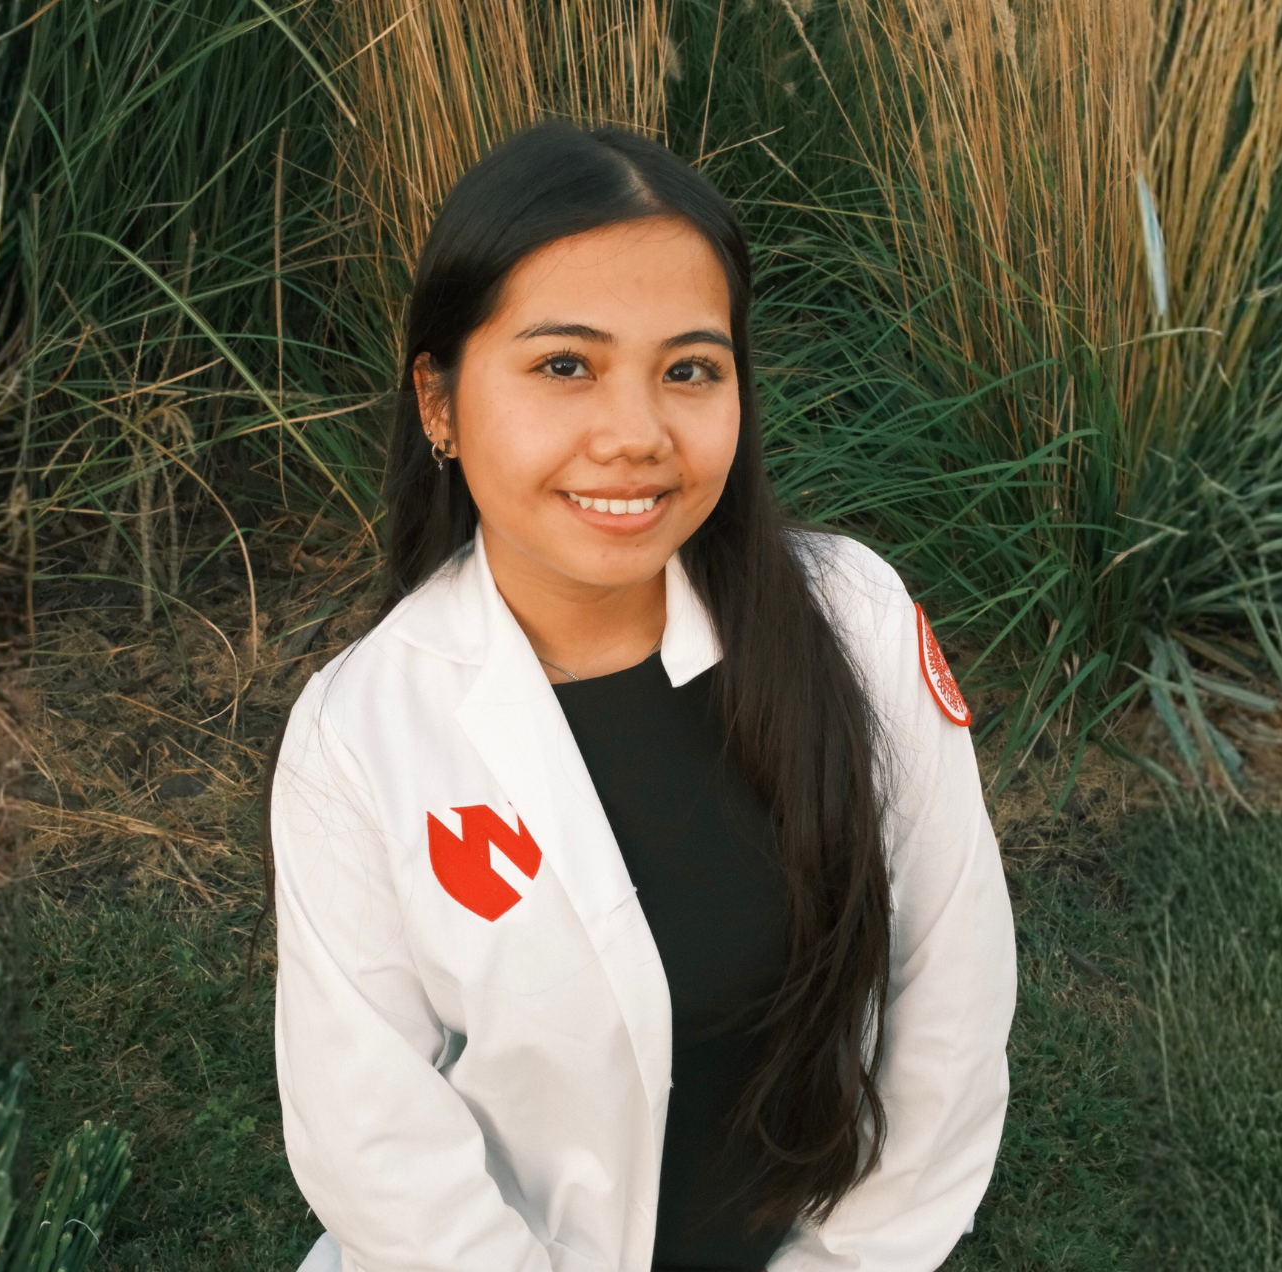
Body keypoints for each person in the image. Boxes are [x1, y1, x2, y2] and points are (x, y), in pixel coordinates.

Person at [271, 120, 1017, 1272]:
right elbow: (376, 1142)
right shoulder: (362, 735)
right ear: (439, 402)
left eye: (690, 370)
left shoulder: (855, 625)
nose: (636, 435)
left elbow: (950, 998)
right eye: (564, 365)